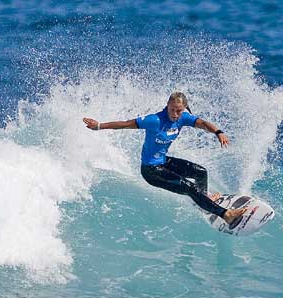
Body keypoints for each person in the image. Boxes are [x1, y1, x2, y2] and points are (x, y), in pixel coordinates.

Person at [83, 92, 247, 227]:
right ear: (167, 106)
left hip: (163, 162)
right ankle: (227, 215)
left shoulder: (183, 118)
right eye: (173, 110)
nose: (176, 114)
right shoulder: (154, 120)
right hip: (151, 171)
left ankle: (203, 203)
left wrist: (218, 132)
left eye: (179, 110)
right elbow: (125, 124)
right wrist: (99, 126)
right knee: (189, 188)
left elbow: (203, 123)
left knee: (200, 172)